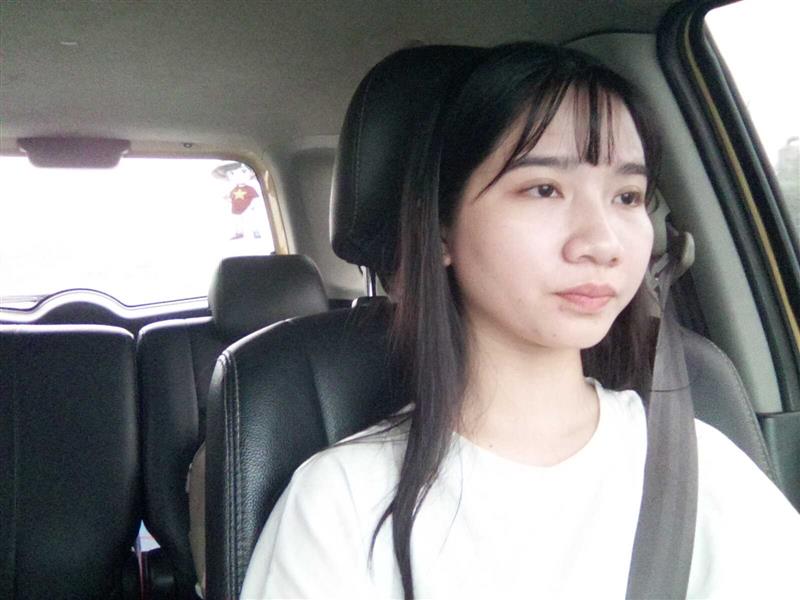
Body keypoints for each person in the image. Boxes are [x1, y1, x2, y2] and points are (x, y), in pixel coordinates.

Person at [240, 43, 800, 598]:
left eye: (628, 197)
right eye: (544, 189)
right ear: (441, 229)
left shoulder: (698, 464)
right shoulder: (340, 504)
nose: (603, 242)